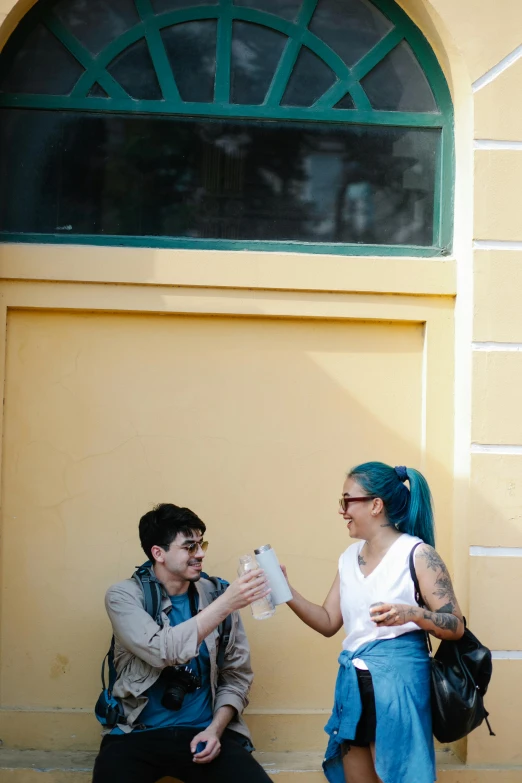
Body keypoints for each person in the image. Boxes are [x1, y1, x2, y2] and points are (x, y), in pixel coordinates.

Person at [281, 462, 464, 783]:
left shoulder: (418, 554)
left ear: (375, 505)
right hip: (353, 685)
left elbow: (456, 625)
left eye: (347, 500)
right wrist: (285, 591)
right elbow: (327, 622)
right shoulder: (348, 557)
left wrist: (413, 614)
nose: (343, 511)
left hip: (399, 685)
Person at [92, 503, 273, 783]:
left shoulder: (216, 594)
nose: (200, 554)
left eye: (201, 544)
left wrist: (215, 730)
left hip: (203, 732)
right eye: (189, 547)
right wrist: (227, 603)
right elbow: (162, 650)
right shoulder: (123, 597)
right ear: (158, 553)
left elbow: (236, 677)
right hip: (135, 734)